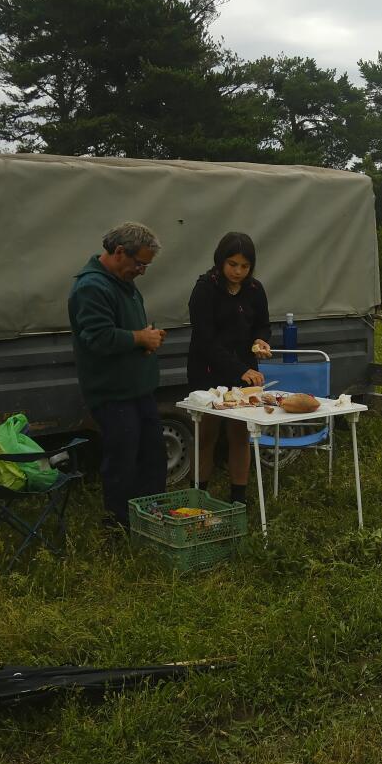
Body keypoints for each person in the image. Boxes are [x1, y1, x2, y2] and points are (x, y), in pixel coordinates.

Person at [68, 222, 168, 533]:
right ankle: (118, 527)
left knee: (153, 454)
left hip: (138, 389)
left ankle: (151, 518)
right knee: (122, 461)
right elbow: (97, 338)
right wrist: (139, 339)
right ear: (119, 251)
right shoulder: (91, 287)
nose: (142, 271)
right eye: (139, 263)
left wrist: (146, 339)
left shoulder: (122, 282)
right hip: (112, 393)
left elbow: (124, 330)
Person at [186, 232, 271, 505]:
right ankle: (198, 496)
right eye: (232, 264)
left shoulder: (255, 289)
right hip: (208, 371)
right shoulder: (204, 289)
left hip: (245, 372)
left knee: (239, 434)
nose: (238, 271)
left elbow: (262, 324)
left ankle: (238, 499)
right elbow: (205, 340)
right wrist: (239, 369)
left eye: (245, 266)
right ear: (220, 261)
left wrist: (261, 339)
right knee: (207, 434)